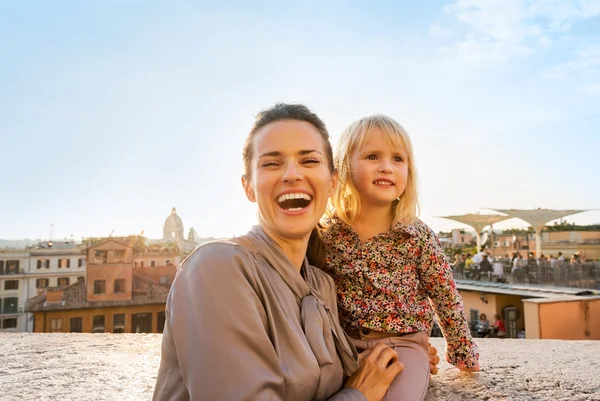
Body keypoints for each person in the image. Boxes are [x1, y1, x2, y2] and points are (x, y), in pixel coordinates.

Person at [153, 104, 418, 401]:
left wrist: (401, 354)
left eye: (309, 160)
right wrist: (359, 395)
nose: (292, 174)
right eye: (271, 164)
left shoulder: (322, 284)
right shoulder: (216, 268)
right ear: (248, 187)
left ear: (332, 182)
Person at [319, 114, 480, 401]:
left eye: (397, 159)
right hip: (341, 344)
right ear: (344, 168)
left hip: (403, 344)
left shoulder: (416, 235)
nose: (386, 167)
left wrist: (461, 350)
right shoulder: (327, 234)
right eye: (372, 156)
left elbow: (444, 295)